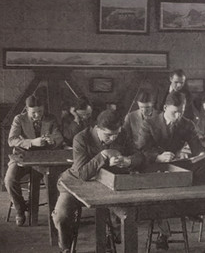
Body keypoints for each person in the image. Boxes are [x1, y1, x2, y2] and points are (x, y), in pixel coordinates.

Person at [52, 109, 145, 253]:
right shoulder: (81, 138)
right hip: (76, 183)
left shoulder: (122, 134)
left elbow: (139, 155)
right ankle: (65, 248)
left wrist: (128, 161)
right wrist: (103, 155)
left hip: (107, 184)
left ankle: (109, 241)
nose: (113, 139)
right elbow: (83, 173)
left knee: (126, 214)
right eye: (108, 135)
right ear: (97, 128)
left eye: (116, 134)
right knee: (62, 216)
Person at [137, 91, 205, 250]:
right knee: (160, 194)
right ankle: (164, 232)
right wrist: (158, 157)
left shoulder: (187, 124)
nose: (178, 115)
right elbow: (141, 151)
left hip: (177, 167)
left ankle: (189, 208)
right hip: (153, 168)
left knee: (200, 173)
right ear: (165, 108)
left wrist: (202, 155)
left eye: (181, 111)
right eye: (174, 112)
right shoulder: (149, 124)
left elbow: (197, 147)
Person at [5, 95, 63, 226]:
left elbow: (59, 137)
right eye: (33, 112)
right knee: (9, 180)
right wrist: (32, 142)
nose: (37, 115)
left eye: (40, 111)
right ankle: (20, 209)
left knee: (55, 182)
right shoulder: (19, 119)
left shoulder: (51, 118)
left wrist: (52, 140)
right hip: (22, 156)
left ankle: (56, 214)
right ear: (26, 109)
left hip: (44, 159)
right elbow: (12, 140)